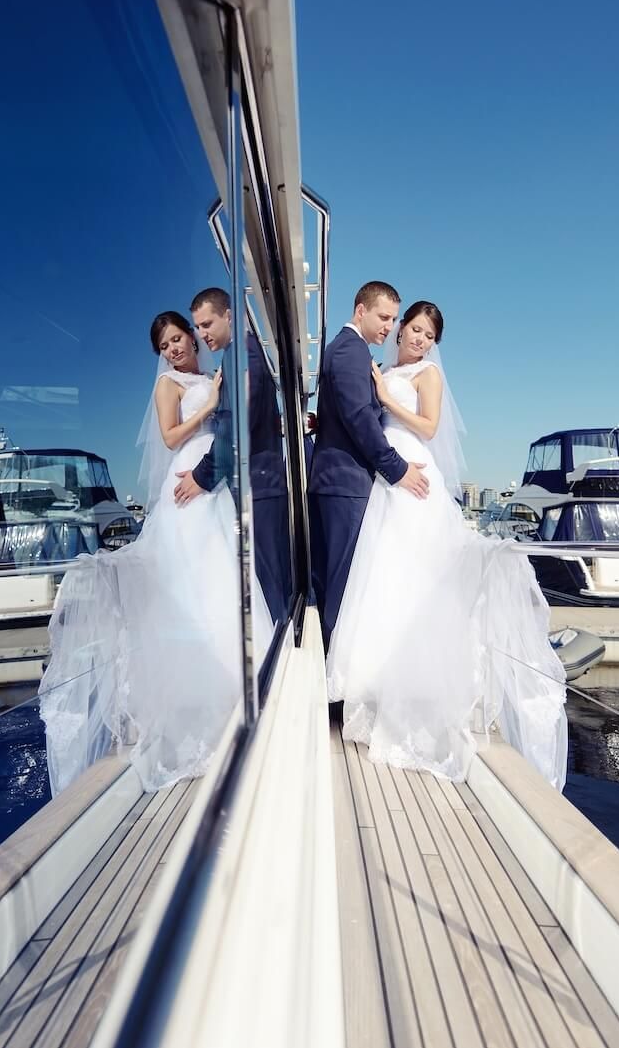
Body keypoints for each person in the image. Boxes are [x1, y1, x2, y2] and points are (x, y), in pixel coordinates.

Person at [324, 300, 567, 788]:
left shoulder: (427, 375)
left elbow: (429, 427)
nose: (418, 338)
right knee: (384, 581)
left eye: (428, 334)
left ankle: (416, 694)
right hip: (384, 478)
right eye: (413, 329)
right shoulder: (385, 367)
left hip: (410, 470)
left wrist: (385, 399)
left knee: (416, 579)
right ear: (399, 331)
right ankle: (375, 690)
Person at [38, 311, 274, 795]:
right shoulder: (170, 385)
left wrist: (215, 399)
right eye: (163, 345)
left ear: (192, 336)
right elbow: (169, 437)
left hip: (214, 481)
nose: (172, 348)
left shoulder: (212, 374)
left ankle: (235, 696)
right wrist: (209, 408)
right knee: (187, 583)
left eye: (177, 338)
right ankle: (191, 703)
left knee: (222, 577)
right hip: (187, 480)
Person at [308, 281, 427, 649]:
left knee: (340, 584)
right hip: (345, 485)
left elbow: (345, 412)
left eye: (393, 319)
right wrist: (398, 468)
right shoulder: (350, 352)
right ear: (361, 311)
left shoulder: (347, 351)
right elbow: (360, 416)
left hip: (338, 481)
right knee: (342, 587)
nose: (389, 326)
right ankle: (334, 685)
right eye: (383, 317)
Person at [181, 286, 291, 627]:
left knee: (268, 586)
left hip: (258, 486)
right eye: (197, 327)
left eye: (208, 323)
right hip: (261, 483)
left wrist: (201, 476)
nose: (202, 333)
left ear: (229, 315)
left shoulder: (242, 355)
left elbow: (235, 424)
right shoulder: (244, 353)